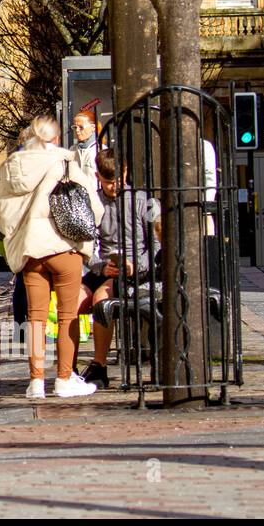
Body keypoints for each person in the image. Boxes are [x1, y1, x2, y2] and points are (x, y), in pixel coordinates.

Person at [0, 114, 104, 400]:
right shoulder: (65, 160)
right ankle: (64, 378)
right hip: (64, 246)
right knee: (68, 315)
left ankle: (36, 382)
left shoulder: (11, 167)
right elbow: (91, 202)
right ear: (53, 138)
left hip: (31, 249)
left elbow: (0, 214)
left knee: (36, 318)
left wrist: (18, 233)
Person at [79, 149, 161, 388]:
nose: (114, 187)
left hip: (138, 270)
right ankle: (70, 369)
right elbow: (84, 244)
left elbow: (157, 244)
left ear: (125, 172)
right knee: (70, 303)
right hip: (104, 267)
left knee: (102, 300)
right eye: (107, 183)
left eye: (117, 181)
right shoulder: (92, 202)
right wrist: (100, 266)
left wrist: (137, 265)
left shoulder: (145, 200)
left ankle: (99, 363)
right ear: (97, 176)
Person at [71, 109, 103, 177]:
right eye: (75, 127)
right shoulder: (72, 149)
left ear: (93, 128)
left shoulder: (101, 150)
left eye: (81, 127)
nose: (77, 130)